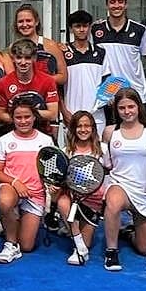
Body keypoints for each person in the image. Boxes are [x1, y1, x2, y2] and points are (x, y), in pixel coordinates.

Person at [101, 88, 146, 271]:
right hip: (120, 184)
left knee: (144, 248)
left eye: (131, 106)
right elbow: (106, 165)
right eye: (122, 108)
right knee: (113, 203)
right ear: (116, 110)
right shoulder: (109, 132)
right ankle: (111, 251)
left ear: (138, 107)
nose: (127, 111)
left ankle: (129, 232)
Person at [0, 98, 55, 264]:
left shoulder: (46, 141)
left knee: (26, 246)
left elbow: (51, 170)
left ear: (34, 117)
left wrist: (51, 185)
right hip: (12, 188)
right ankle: (10, 243)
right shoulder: (4, 140)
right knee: (5, 201)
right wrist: (15, 182)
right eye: (18, 117)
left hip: (35, 194)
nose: (23, 121)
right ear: (13, 119)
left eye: (27, 116)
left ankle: (13, 219)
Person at [55, 110, 110, 266]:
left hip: (94, 202)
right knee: (62, 202)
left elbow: (112, 172)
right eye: (79, 126)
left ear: (93, 128)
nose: (83, 129)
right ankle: (78, 245)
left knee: (89, 243)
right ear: (73, 129)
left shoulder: (104, 150)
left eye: (87, 126)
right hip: (72, 198)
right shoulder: (67, 151)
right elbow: (62, 179)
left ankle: (75, 233)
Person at [92, 0, 146, 104]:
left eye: (120, 2)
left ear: (126, 4)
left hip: (135, 93)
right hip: (108, 95)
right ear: (106, 5)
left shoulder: (140, 30)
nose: (116, 6)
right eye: (112, 2)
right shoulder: (95, 29)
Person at [61, 10, 108, 136]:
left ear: (90, 27)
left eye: (85, 26)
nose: (82, 30)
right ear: (71, 29)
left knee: (97, 152)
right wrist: (65, 112)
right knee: (73, 153)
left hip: (96, 116)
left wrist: (106, 99)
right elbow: (58, 88)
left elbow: (107, 82)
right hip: (72, 116)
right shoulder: (62, 53)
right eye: (77, 26)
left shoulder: (101, 52)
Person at [0, 38, 59, 129]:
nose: (23, 62)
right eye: (19, 58)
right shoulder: (3, 83)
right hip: (12, 131)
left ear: (34, 58)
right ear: (13, 58)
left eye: (27, 58)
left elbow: (53, 114)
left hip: (41, 130)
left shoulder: (48, 81)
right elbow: (0, 114)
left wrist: (26, 114)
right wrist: (21, 121)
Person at [12, 3, 67, 86]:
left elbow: (63, 77)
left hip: (48, 96)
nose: (24, 25)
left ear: (36, 22)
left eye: (28, 21)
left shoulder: (50, 45)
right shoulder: (12, 48)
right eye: (20, 21)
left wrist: (39, 80)